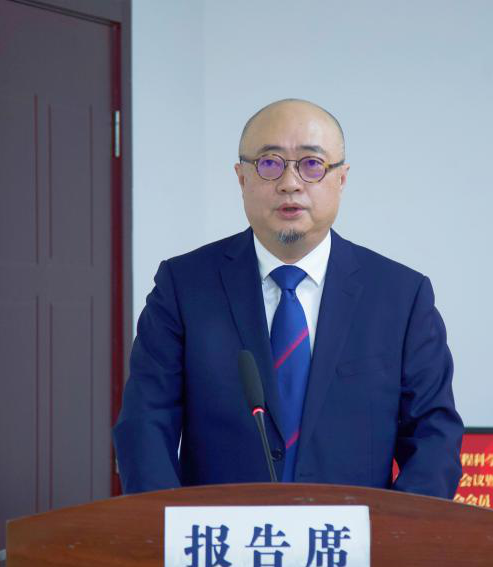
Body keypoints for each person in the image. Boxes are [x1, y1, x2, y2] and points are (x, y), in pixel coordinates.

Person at [112, 99, 463, 498]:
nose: (290, 183)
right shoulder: (184, 286)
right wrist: (166, 525)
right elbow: (145, 423)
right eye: (269, 163)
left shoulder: (400, 296)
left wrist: (398, 530)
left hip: (351, 533)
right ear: (242, 178)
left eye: (312, 164)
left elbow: (434, 435)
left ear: (341, 179)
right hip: (222, 533)